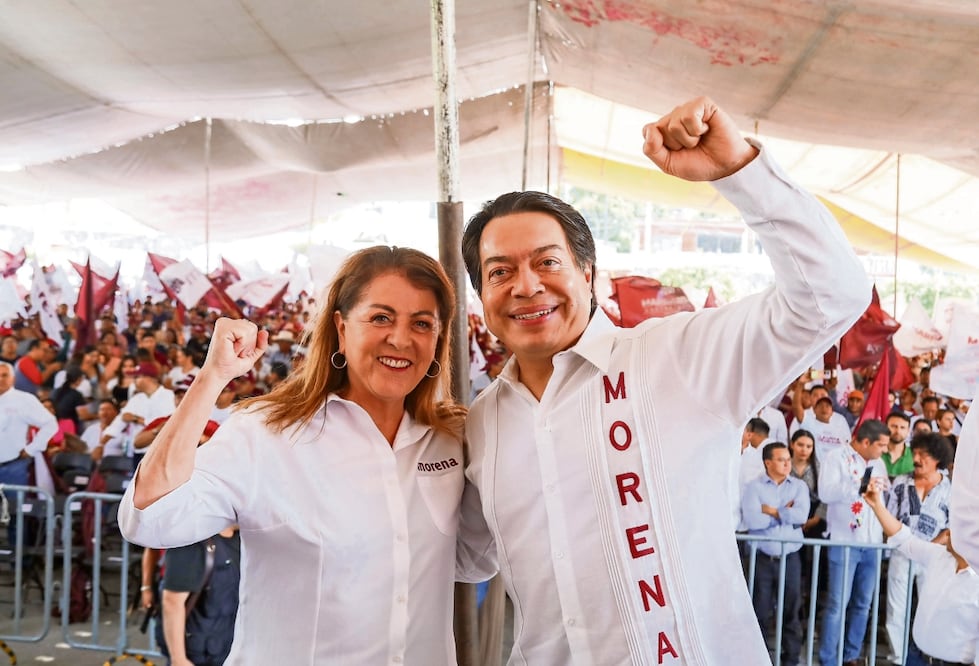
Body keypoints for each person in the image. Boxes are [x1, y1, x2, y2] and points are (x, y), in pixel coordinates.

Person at [459, 96, 870, 664]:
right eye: (499, 271)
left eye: (547, 262)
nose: (525, 286)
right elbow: (465, 555)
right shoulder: (481, 424)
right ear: (481, 297)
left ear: (587, 272)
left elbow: (833, 297)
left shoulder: (678, 356)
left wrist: (742, 173)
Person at [119, 246, 493, 664]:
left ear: (439, 337)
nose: (401, 339)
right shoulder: (268, 432)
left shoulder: (451, 438)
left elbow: (473, 562)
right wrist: (213, 377)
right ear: (340, 327)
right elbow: (149, 518)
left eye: (422, 323)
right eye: (380, 317)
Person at [863, 480, 978, 666]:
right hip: (917, 657)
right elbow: (905, 540)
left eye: (954, 529)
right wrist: (877, 505)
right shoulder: (939, 556)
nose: (947, 533)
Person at [816, 419, 890, 666]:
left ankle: (851, 656)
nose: (884, 451)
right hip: (844, 541)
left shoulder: (879, 464)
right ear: (866, 442)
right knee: (837, 604)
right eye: (881, 445)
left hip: (872, 543)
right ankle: (828, 659)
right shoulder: (835, 457)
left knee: (863, 604)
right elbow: (825, 493)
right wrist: (858, 486)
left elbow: (883, 499)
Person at [882, 432, 953, 665]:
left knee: (931, 608)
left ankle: (933, 656)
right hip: (902, 553)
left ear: (938, 460)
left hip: (934, 558)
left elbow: (953, 527)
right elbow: (889, 516)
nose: (918, 458)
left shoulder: (949, 488)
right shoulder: (901, 482)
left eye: (925, 455)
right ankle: (898, 658)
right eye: (917, 453)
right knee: (896, 609)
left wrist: (930, 547)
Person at [742, 442, 809, 666]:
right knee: (759, 611)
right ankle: (758, 660)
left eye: (788, 459)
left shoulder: (799, 487)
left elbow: (801, 517)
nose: (787, 463)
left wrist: (770, 510)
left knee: (791, 611)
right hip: (762, 558)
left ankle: (790, 661)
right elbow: (752, 520)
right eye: (781, 460)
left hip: (790, 559)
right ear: (768, 462)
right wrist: (784, 513)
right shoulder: (754, 487)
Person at [882, 411, 914, 480]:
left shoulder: (915, 456)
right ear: (885, 427)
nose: (898, 431)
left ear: (908, 431)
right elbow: (864, 482)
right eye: (894, 426)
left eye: (902, 427)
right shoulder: (874, 453)